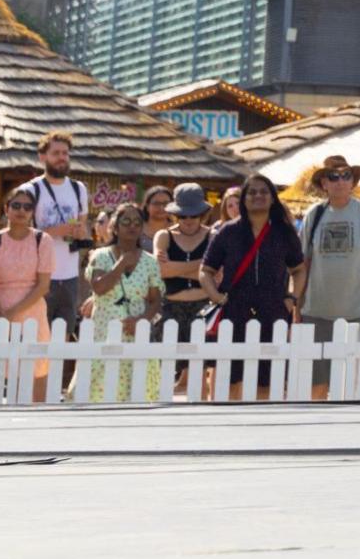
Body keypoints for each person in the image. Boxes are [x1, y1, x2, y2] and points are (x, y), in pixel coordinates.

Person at [202, 172, 305, 400]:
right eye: (252, 192)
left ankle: (263, 430)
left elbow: (299, 269)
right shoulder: (228, 232)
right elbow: (206, 271)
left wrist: (292, 299)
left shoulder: (284, 232)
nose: (258, 196)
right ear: (244, 198)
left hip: (273, 311)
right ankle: (228, 430)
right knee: (229, 380)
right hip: (234, 312)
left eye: (264, 191)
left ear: (272, 198)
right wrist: (217, 298)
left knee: (267, 380)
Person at [295, 157, 360, 398]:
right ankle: (315, 433)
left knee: (354, 383)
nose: (339, 181)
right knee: (316, 383)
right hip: (316, 311)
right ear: (324, 183)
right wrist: (296, 305)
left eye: (345, 176)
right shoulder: (313, 215)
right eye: (333, 177)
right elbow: (303, 265)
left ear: (352, 181)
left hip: (357, 310)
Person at [0, 187, 57, 401]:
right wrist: (0, 313)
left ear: (33, 212)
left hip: (31, 310)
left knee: (35, 374)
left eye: (28, 207)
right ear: (6, 209)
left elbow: (43, 286)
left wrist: (12, 313)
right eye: (16, 205)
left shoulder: (43, 240)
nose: (22, 210)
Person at [85, 204, 165, 403]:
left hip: (136, 331)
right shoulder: (101, 256)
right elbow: (99, 288)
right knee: (97, 390)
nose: (132, 227)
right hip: (105, 331)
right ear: (115, 226)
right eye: (126, 222)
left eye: (137, 223)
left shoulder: (150, 261)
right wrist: (121, 264)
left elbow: (155, 300)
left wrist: (142, 320)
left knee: (138, 391)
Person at [16, 133, 92, 335]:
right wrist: (54, 231)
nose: (62, 158)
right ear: (42, 157)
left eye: (65, 153)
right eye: (56, 153)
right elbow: (18, 231)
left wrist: (79, 231)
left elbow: (81, 225)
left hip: (69, 273)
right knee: (34, 335)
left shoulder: (79, 189)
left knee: (64, 334)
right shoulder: (30, 190)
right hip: (37, 275)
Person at [156, 184, 215, 350]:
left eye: (194, 215)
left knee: (198, 366)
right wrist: (202, 266)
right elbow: (161, 271)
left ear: (202, 214)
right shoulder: (164, 236)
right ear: (175, 215)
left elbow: (217, 276)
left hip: (203, 307)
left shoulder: (212, 236)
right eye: (183, 216)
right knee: (166, 364)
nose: (188, 220)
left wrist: (174, 269)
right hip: (170, 308)